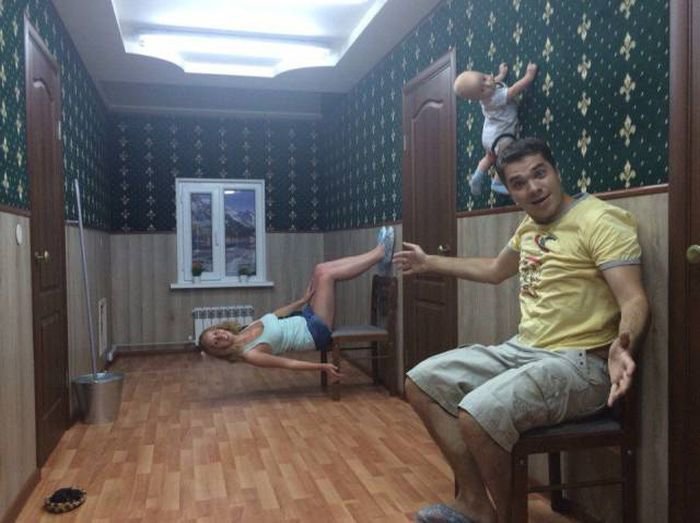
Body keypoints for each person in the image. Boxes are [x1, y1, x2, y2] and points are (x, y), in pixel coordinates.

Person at [393, 138, 650, 523]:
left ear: (556, 171)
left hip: (583, 364)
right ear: (510, 192)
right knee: (423, 382)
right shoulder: (529, 225)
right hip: (524, 351)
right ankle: (476, 504)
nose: (533, 187)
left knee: (478, 414)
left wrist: (623, 344)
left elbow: (634, 299)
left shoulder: (601, 220)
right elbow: (495, 270)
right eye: (518, 183)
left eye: (539, 174)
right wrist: (430, 262)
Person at [198, 226, 396, 380]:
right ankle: (380, 253)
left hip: (307, 316)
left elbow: (276, 315)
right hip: (315, 332)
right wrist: (322, 367)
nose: (220, 337)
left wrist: (302, 300)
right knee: (328, 276)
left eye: (216, 333)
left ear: (218, 328)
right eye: (216, 343)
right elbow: (288, 364)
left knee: (320, 269)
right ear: (218, 351)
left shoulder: (244, 330)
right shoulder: (250, 354)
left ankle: (377, 254)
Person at [454, 61, 538, 196]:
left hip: (489, 135)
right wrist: (529, 76)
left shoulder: (487, 91)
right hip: (501, 137)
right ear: (477, 98)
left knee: (490, 157)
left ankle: (478, 174)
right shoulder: (494, 98)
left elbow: (494, 81)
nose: (488, 83)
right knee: (505, 157)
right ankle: (497, 181)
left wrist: (501, 74)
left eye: (484, 78)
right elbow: (514, 90)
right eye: (482, 89)